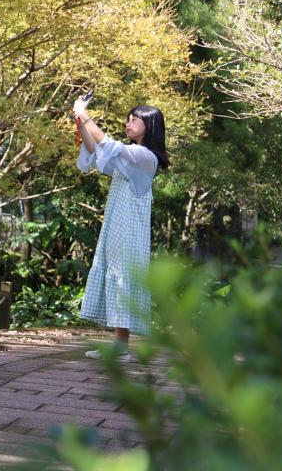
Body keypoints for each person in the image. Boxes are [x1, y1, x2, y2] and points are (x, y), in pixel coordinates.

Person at [72, 96, 169, 362]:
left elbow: (105, 143)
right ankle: (118, 345)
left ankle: (121, 348)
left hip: (129, 230)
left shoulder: (145, 157)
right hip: (118, 225)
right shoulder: (129, 155)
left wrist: (85, 113)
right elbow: (97, 152)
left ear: (149, 125)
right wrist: (81, 121)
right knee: (116, 274)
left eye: (133, 119)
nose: (127, 123)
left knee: (122, 275)